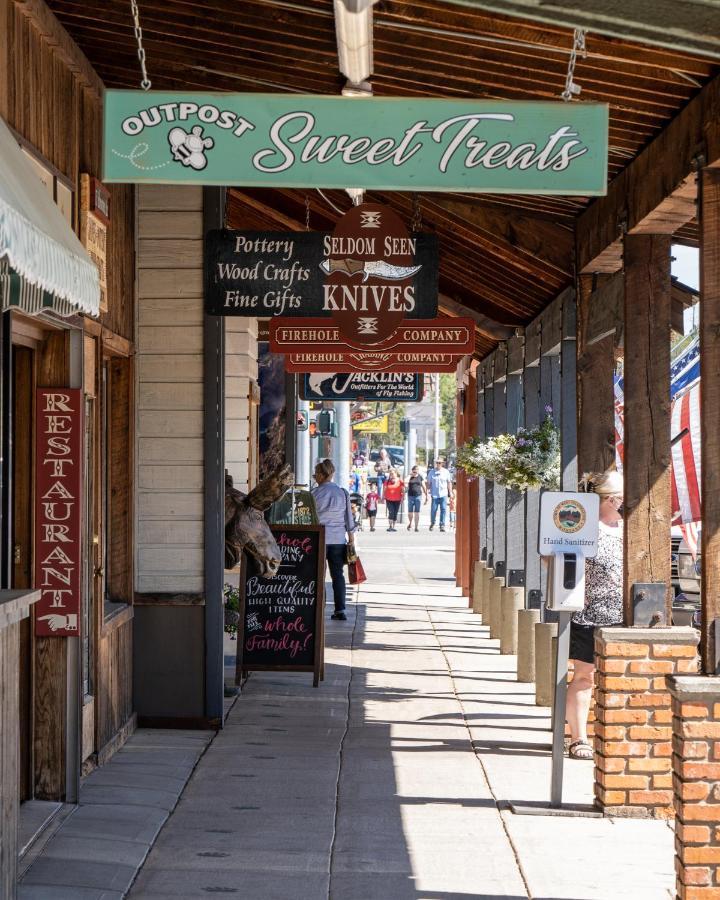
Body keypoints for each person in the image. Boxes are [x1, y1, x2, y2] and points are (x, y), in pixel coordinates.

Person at [566, 470, 624, 760]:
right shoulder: (585, 528)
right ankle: (578, 738)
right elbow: (556, 558)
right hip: (589, 614)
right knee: (584, 676)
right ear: (612, 499)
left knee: (618, 677)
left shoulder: (630, 527)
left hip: (624, 616)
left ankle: (617, 734)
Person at [311, 459, 356, 621]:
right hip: (338, 540)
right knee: (338, 575)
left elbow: (309, 518)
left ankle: (318, 608)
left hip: (319, 539)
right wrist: (351, 538)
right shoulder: (342, 492)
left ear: (322, 475)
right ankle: (340, 610)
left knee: (318, 575)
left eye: (316, 474)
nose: (315, 477)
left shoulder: (314, 494)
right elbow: (348, 518)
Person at [427, 458, 453, 532]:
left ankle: (442, 525)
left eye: (439, 463)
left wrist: (450, 492)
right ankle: (432, 523)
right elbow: (428, 483)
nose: (438, 464)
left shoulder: (446, 472)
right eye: (437, 463)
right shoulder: (431, 472)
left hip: (443, 494)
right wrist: (428, 492)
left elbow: (449, 482)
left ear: (442, 464)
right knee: (433, 510)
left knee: (443, 510)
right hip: (434, 494)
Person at [406, 465, 427, 532]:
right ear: (412, 470)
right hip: (410, 496)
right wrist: (410, 475)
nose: (416, 472)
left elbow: (424, 486)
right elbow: (405, 482)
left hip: (418, 496)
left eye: (417, 470)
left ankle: (416, 527)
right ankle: (410, 523)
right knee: (410, 512)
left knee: (417, 512)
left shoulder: (420, 477)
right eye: (414, 470)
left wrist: (426, 496)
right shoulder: (409, 477)